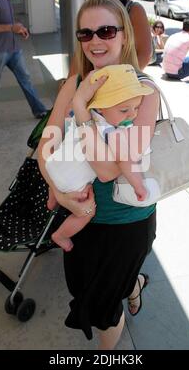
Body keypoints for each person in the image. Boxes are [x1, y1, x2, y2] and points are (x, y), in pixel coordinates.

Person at [38, 0, 159, 349]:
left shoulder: (143, 90)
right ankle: (133, 284)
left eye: (106, 31)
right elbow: (45, 148)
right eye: (85, 34)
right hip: (79, 214)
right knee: (81, 290)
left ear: (124, 35)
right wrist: (58, 192)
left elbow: (107, 171)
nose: (95, 41)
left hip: (125, 222)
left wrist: (81, 108)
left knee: (104, 308)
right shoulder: (73, 84)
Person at [46, 64, 154, 252]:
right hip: (72, 181)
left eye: (136, 107)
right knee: (86, 213)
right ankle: (61, 235)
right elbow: (123, 161)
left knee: (60, 171)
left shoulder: (85, 116)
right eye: (124, 110)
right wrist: (138, 186)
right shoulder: (111, 131)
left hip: (53, 165)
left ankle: (52, 198)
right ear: (102, 108)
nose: (132, 115)